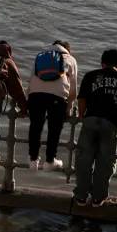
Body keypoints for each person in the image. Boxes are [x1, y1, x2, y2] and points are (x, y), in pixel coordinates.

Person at [72, 49, 117, 207]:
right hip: (111, 123)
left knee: (83, 159)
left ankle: (81, 195)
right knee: (105, 162)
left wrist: (81, 116)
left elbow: (82, 99)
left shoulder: (91, 76)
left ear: (102, 62)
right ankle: (98, 197)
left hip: (91, 119)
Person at [27, 40, 78, 171]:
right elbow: (73, 89)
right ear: (68, 49)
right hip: (57, 97)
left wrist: (29, 99)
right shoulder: (70, 59)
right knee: (54, 129)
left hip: (35, 95)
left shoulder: (40, 56)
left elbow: (31, 79)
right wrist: (70, 106)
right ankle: (50, 161)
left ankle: (33, 160)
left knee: (35, 126)